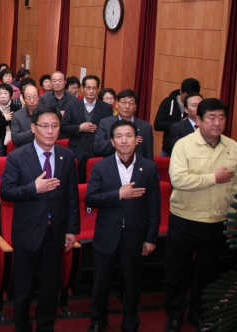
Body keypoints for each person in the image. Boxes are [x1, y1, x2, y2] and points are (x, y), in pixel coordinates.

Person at [164, 98, 237, 332]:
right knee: (178, 271)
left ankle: (197, 313)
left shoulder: (233, 147)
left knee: (206, 273)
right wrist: (212, 178)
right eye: (211, 117)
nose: (217, 123)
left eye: (221, 117)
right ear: (199, 120)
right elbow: (178, 180)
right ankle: (175, 314)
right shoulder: (184, 145)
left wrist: (234, 215)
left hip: (217, 220)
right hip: (185, 218)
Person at [0, 104, 79, 332]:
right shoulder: (17, 156)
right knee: (23, 289)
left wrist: (72, 229)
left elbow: (72, 196)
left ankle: (46, 327)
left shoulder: (66, 155)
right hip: (28, 232)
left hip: (56, 233)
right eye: (44, 126)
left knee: (50, 287)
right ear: (33, 127)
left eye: (55, 126)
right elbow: (6, 192)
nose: (50, 131)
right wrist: (33, 188)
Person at [84, 120, 160, 332]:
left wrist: (151, 237)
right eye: (119, 136)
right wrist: (118, 194)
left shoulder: (149, 167)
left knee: (132, 284)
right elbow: (90, 198)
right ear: (112, 141)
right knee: (100, 284)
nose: (124, 140)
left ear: (137, 140)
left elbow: (154, 206)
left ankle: (130, 321)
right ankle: (98, 321)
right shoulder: (100, 166)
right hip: (107, 234)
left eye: (129, 136)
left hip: (136, 235)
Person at [60, 76, 114, 183]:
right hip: (76, 151)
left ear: (98, 89)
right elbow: (64, 127)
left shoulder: (106, 108)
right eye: (88, 87)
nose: (91, 91)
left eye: (94, 88)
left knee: (95, 183)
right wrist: (79, 128)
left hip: (96, 152)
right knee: (75, 184)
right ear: (83, 88)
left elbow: (109, 131)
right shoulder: (72, 105)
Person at [94, 89, 154, 161]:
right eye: (123, 102)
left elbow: (149, 157)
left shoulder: (146, 127)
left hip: (136, 169)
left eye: (131, 103)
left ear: (135, 107)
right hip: (111, 167)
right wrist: (118, 142)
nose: (127, 106)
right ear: (116, 104)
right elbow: (98, 148)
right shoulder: (105, 123)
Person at [154, 78, 201, 157]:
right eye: (185, 96)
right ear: (181, 91)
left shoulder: (200, 108)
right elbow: (157, 125)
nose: (187, 100)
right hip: (168, 152)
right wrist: (180, 124)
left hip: (192, 153)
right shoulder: (168, 102)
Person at [10, 83, 41, 148]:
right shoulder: (17, 116)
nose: (32, 101)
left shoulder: (46, 113)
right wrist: (34, 131)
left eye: (35, 97)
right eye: (28, 98)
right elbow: (15, 138)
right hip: (24, 152)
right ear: (23, 99)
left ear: (39, 97)